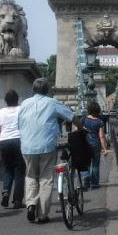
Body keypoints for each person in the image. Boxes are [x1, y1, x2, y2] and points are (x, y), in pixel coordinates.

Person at [18, 78, 81, 224]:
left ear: (34, 90)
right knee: (46, 179)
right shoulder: (52, 103)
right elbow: (72, 116)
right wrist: (81, 127)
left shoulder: (24, 104)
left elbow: (19, 125)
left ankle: (31, 204)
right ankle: (42, 215)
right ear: (47, 90)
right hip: (46, 146)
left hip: (27, 147)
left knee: (31, 176)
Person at [0, 89, 25, 209]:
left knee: (7, 170)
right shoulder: (22, 109)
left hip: (4, 142)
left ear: (5, 101)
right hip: (18, 140)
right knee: (19, 171)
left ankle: (6, 191)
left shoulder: (1, 112)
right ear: (17, 100)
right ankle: (17, 200)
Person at [81, 101, 110, 189]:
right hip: (95, 145)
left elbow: (77, 130)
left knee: (86, 163)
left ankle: (86, 176)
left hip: (85, 144)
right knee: (95, 164)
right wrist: (105, 148)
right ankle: (94, 184)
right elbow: (101, 136)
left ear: (89, 110)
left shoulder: (84, 119)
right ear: (98, 110)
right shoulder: (100, 122)